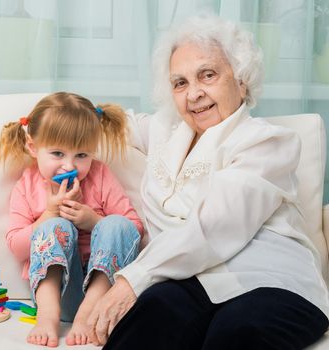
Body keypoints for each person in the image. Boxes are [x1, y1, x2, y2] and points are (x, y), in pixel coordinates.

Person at [83, 14, 329, 350]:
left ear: (241, 80)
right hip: (186, 281)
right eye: (180, 83)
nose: (194, 93)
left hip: (269, 281)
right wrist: (40, 125)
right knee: (148, 322)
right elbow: (101, 123)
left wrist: (132, 280)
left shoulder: (269, 142)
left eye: (208, 75)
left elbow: (216, 225)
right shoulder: (163, 131)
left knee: (235, 334)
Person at [0, 92, 144, 347]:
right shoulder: (28, 184)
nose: (69, 166)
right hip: (59, 293)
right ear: (33, 147)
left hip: (105, 293)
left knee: (117, 223)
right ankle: (47, 317)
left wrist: (94, 221)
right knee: (54, 225)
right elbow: (17, 246)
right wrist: (49, 213)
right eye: (57, 153)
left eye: (81, 155)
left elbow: (134, 230)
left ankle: (88, 314)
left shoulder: (99, 175)